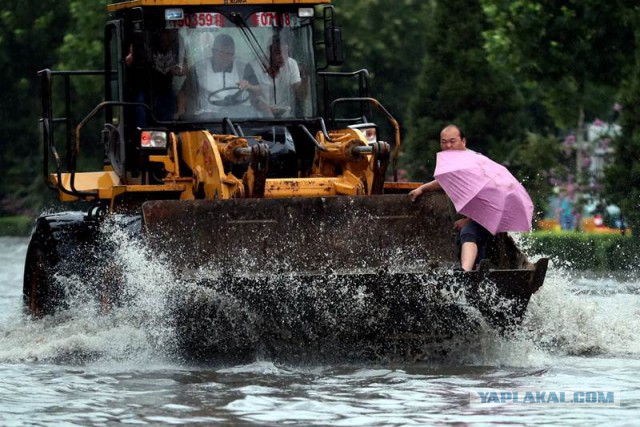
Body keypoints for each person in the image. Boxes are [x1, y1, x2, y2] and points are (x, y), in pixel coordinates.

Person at [409, 125, 492, 271]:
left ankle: (465, 274)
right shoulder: (451, 164)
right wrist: (422, 189)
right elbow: (445, 181)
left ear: (463, 141)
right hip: (464, 223)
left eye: (452, 141)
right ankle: (472, 273)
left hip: (482, 219)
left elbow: (487, 196)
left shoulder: (474, 163)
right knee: (465, 241)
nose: (448, 146)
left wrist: (468, 220)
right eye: (444, 142)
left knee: (468, 233)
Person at [177, 33, 258, 119]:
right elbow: (184, 93)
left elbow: (259, 90)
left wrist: (250, 87)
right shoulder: (199, 68)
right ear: (213, 51)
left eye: (229, 54)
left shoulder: (243, 66)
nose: (225, 57)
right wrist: (180, 112)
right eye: (221, 53)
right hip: (208, 117)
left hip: (238, 116)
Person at [243, 36, 307, 118]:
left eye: (285, 52)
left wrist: (305, 80)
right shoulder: (253, 67)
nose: (282, 56)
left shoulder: (291, 64)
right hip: (259, 118)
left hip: (286, 117)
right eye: (278, 53)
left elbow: (299, 93)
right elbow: (253, 98)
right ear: (268, 53)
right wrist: (267, 110)